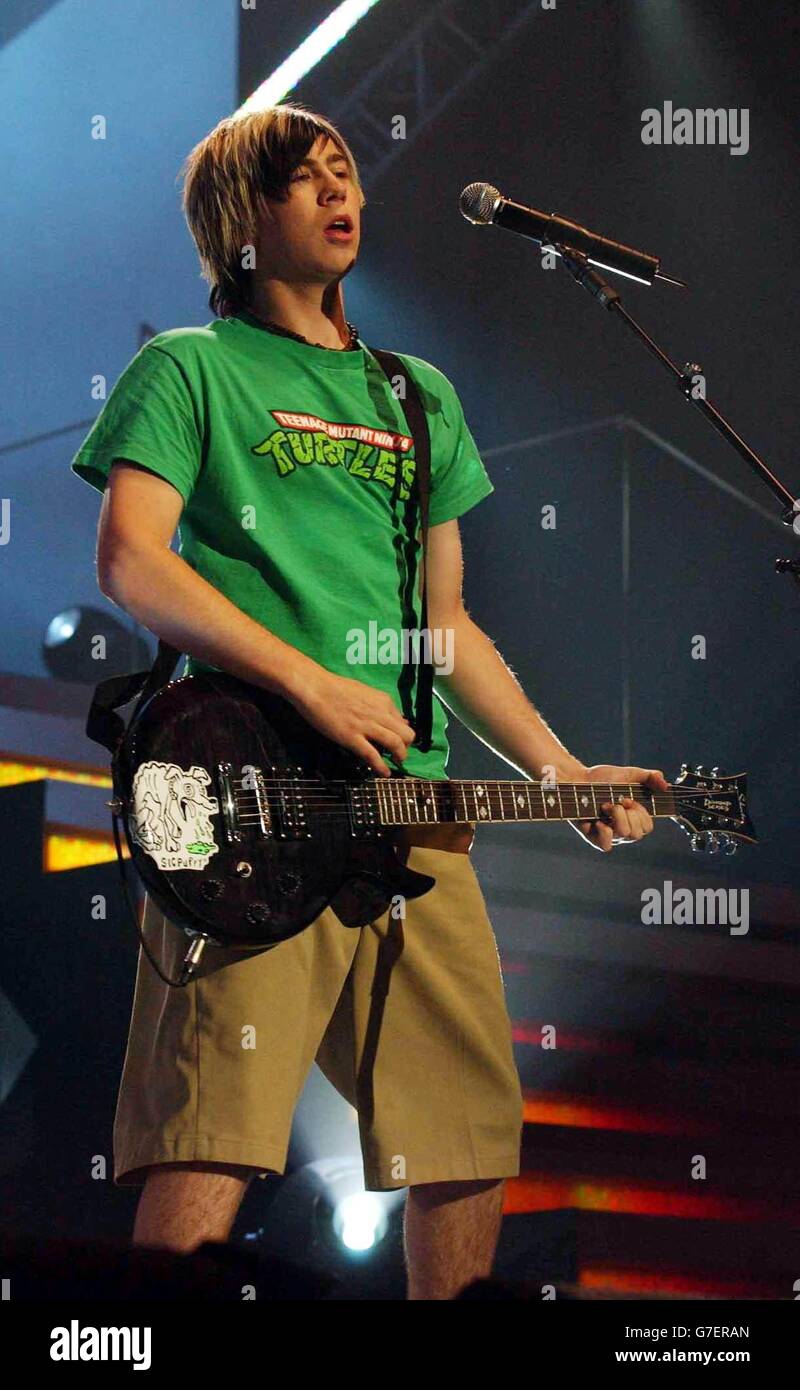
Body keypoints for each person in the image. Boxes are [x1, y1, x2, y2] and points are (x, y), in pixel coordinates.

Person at [71, 103, 668, 1299]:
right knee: (211, 1124)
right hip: (243, 794)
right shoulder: (188, 369)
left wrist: (558, 770)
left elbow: (442, 628)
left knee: (465, 1136)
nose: (340, 192)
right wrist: (305, 678)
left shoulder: (415, 394)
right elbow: (132, 560)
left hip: (409, 812)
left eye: (347, 172)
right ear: (244, 221)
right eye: (306, 179)